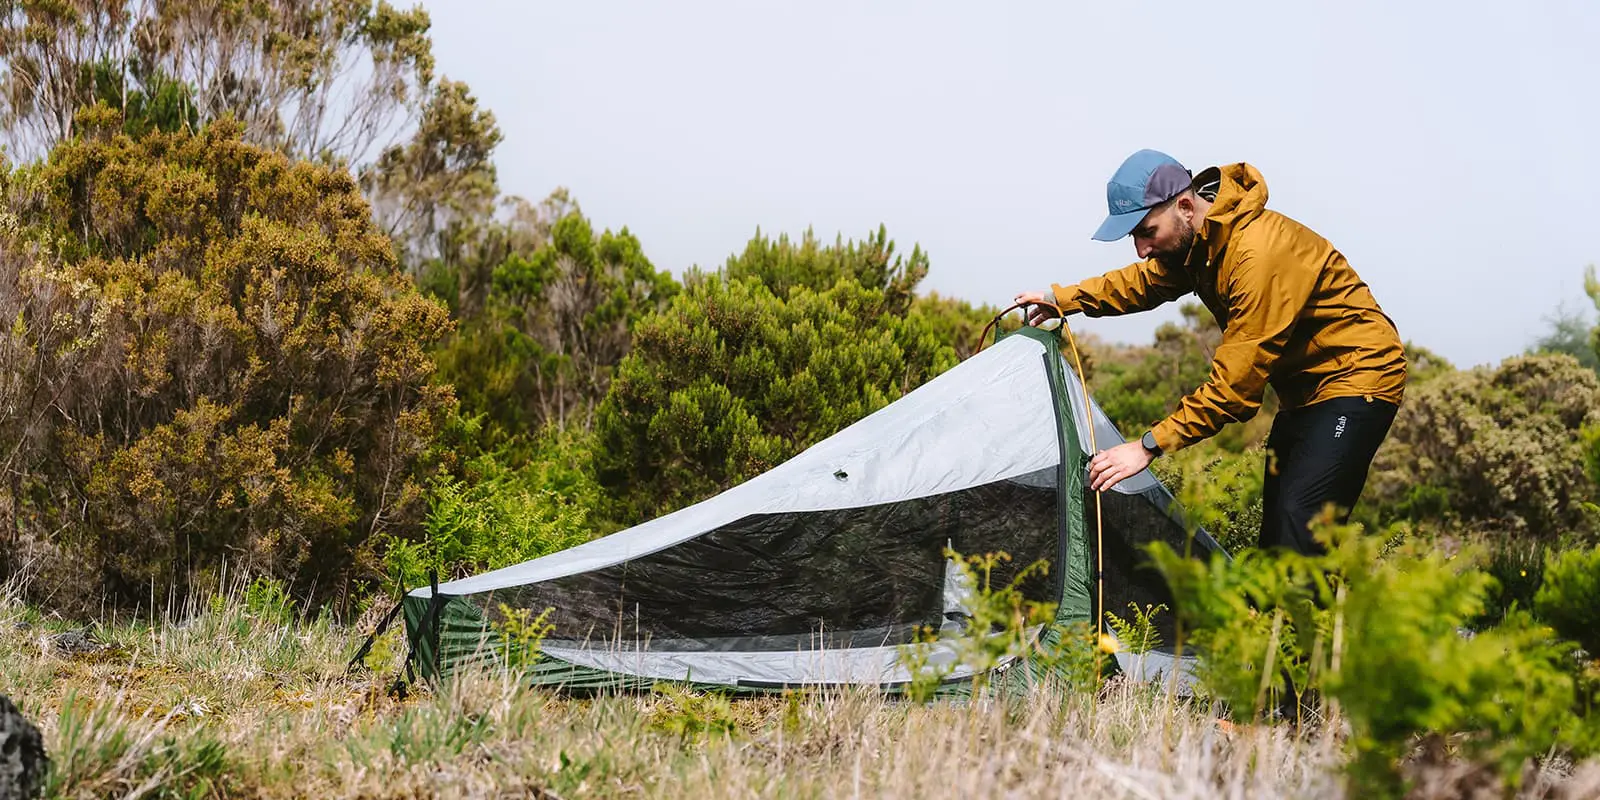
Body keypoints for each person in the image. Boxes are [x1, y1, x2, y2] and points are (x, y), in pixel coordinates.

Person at [1015, 149, 1407, 555]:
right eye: (1134, 237)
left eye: (1146, 231)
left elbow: (1234, 388)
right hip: (1303, 394)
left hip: (1357, 378)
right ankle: (1279, 620)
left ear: (1185, 206)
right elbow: (1141, 283)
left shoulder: (1255, 254)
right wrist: (1060, 298)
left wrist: (1147, 446)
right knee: (1277, 531)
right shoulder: (1200, 242)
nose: (1141, 249)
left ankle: (1312, 620)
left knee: (1300, 522)